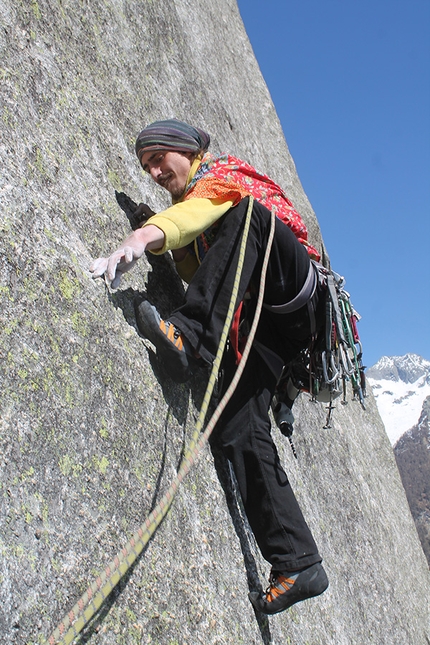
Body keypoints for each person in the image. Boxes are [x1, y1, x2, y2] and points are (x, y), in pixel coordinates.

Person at [90, 119, 329, 614]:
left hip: (291, 290)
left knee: (250, 216)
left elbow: (198, 215)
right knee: (237, 425)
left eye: (160, 158)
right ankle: (297, 561)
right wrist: (164, 239)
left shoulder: (221, 179)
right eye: (147, 166)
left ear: (187, 151)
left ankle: (190, 336)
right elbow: (198, 246)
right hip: (265, 329)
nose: (155, 171)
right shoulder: (198, 212)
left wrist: (143, 235)